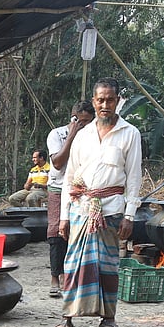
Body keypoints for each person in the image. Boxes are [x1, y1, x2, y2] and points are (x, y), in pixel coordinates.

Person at [54, 78, 142, 327]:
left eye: (110, 99)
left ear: (117, 101)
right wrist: (63, 216)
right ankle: (68, 317)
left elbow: (134, 177)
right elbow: (69, 178)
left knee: (106, 266)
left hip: (112, 210)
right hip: (81, 209)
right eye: (100, 100)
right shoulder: (82, 136)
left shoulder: (130, 134)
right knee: (73, 265)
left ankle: (108, 319)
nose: (105, 104)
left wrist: (129, 215)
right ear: (94, 102)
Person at [45, 101, 95, 298]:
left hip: (83, 190)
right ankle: (55, 277)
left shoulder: (93, 137)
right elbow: (57, 163)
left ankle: (73, 276)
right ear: (73, 119)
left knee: (79, 232)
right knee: (56, 233)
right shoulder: (57, 134)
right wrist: (73, 135)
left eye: (88, 122)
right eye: (80, 122)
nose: (85, 126)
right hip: (58, 188)